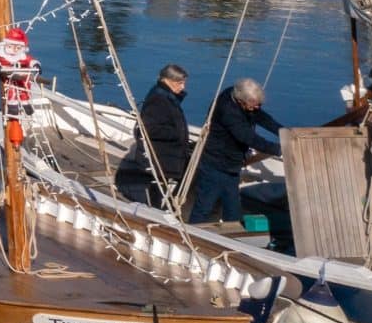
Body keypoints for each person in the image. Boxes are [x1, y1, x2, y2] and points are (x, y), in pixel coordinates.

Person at [188, 77, 282, 224]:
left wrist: (282, 132)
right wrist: (277, 149)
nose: (256, 108)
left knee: (232, 211)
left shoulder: (240, 98)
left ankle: (230, 237)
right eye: (253, 105)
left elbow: (261, 117)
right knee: (204, 207)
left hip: (232, 166)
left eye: (259, 104)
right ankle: (193, 235)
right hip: (216, 164)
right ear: (241, 101)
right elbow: (248, 137)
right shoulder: (227, 110)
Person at [114, 63, 192, 210]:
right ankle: (156, 211)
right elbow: (149, 129)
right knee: (157, 185)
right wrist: (176, 134)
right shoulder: (159, 99)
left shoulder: (167, 96)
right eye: (179, 83)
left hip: (167, 153)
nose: (183, 87)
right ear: (167, 81)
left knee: (162, 184)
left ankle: (161, 208)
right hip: (162, 154)